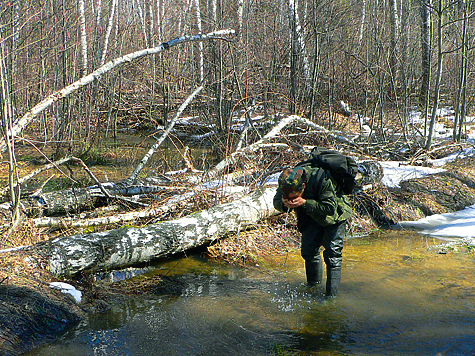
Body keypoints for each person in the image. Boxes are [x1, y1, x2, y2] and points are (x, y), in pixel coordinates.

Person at [273, 165, 352, 297]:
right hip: (310, 216)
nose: (291, 199)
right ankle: (313, 287)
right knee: (309, 251)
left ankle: (331, 298)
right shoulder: (286, 181)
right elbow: (276, 202)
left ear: (303, 187)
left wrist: (304, 202)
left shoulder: (321, 179)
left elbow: (330, 208)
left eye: (294, 196)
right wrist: (283, 203)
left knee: (333, 255)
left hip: (335, 216)